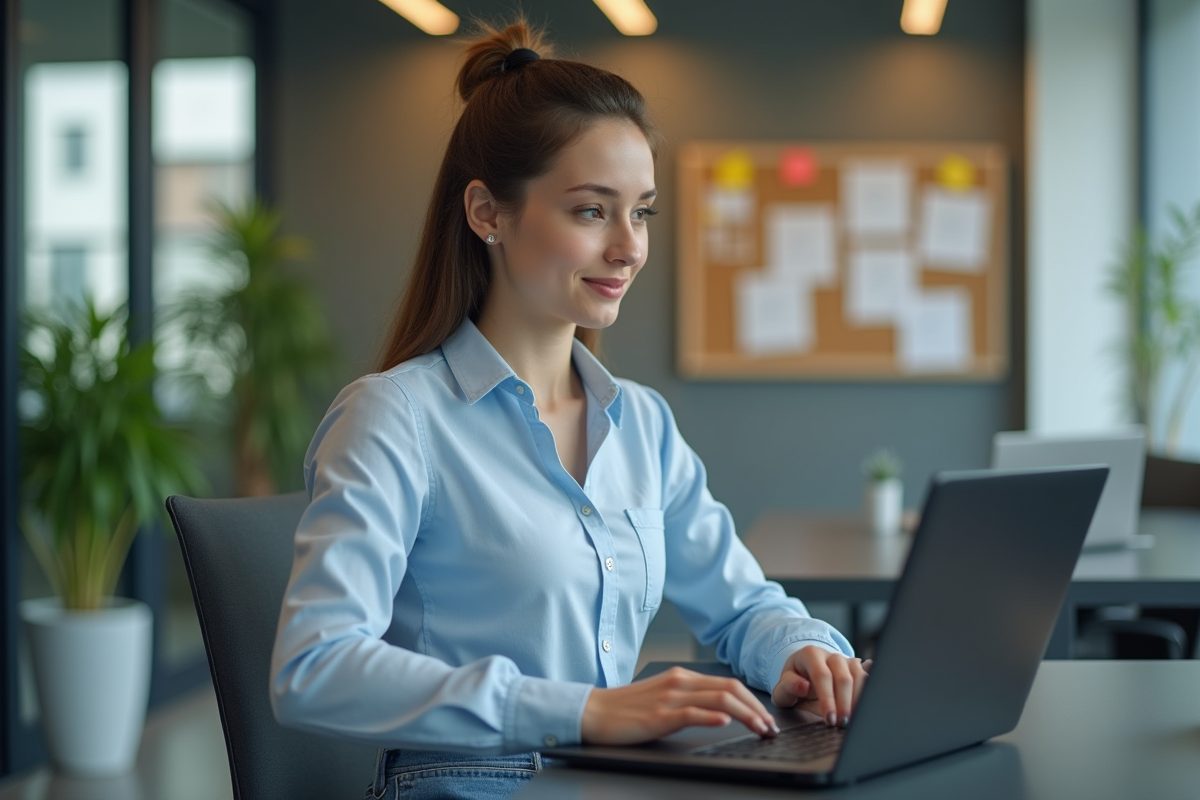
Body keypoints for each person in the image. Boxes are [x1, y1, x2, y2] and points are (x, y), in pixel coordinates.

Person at [270, 19, 869, 800]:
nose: (629, 247)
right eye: (593, 211)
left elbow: (740, 605)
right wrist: (582, 710)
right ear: (487, 212)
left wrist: (800, 649)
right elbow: (312, 666)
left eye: (642, 212)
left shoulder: (641, 424)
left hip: (609, 783)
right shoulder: (395, 418)